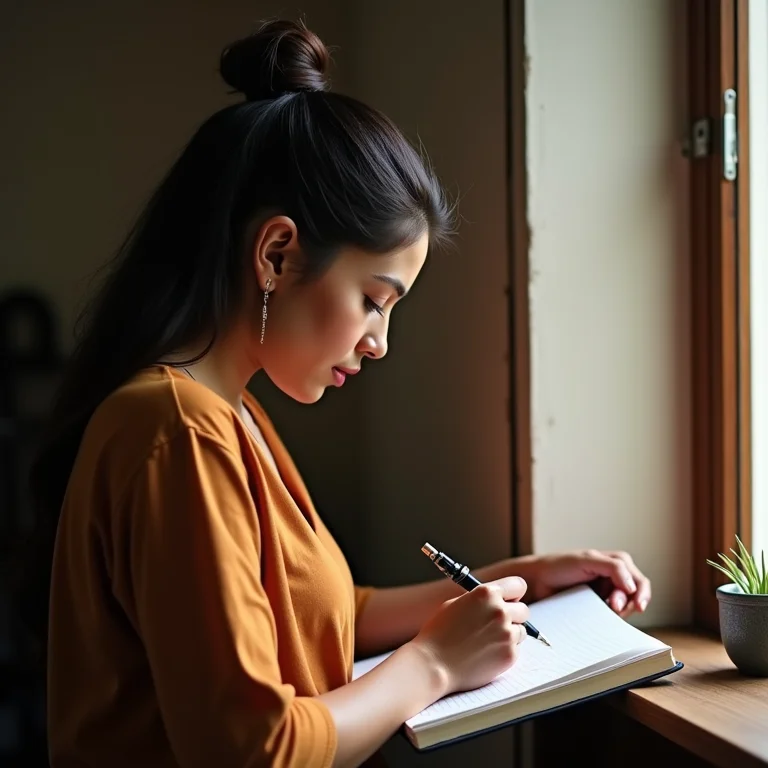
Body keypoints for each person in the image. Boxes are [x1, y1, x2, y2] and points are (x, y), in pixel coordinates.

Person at [25, 19, 652, 768]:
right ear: (277, 253)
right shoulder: (179, 431)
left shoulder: (229, 413)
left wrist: (521, 578)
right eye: (373, 300)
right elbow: (255, 752)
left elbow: (326, 613)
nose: (379, 342)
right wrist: (433, 667)